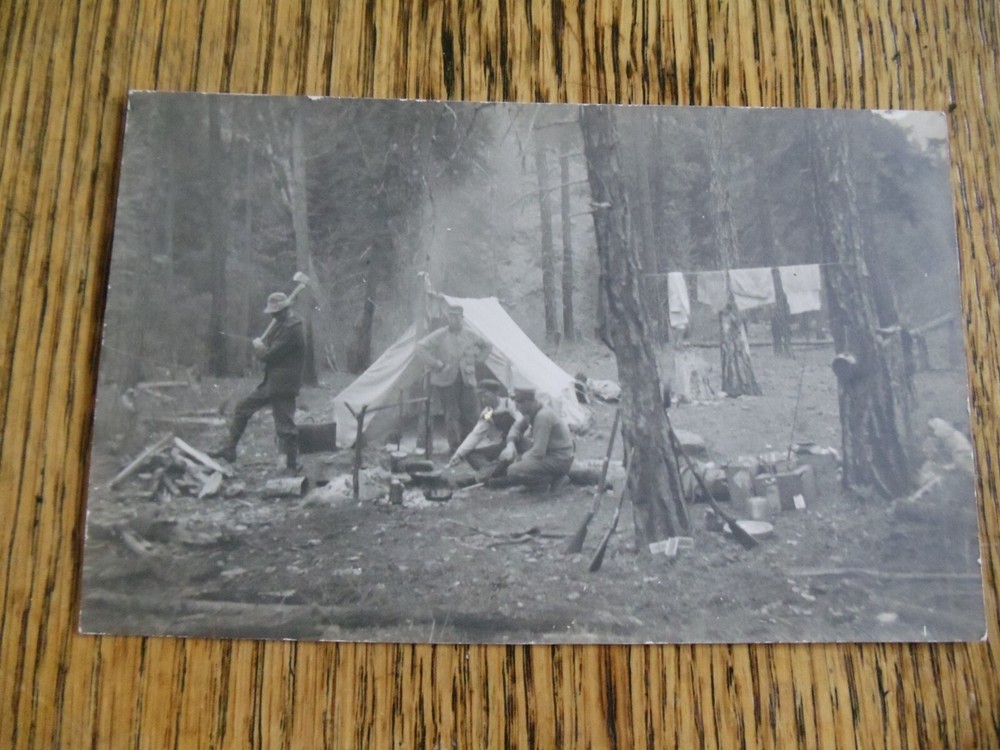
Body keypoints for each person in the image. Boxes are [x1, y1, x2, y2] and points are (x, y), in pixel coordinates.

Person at [212, 291, 305, 471]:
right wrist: (265, 343)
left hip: (283, 385)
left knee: (285, 427)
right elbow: (272, 345)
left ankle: (293, 465)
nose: (272, 315)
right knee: (242, 409)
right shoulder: (282, 324)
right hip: (272, 382)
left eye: (275, 312)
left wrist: (260, 348)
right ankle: (230, 450)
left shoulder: (292, 329)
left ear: (284, 311)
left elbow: (269, 355)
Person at [415, 305, 492, 453]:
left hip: (467, 379)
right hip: (447, 380)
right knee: (452, 415)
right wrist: (436, 363)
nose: (454, 320)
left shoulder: (470, 334)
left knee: (470, 414)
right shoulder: (440, 334)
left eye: (457, 317)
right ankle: (455, 447)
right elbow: (419, 348)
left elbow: (487, 346)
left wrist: (478, 361)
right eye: (451, 317)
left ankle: (468, 447)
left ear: (462, 318)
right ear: (448, 318)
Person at [489, 387, 575, 492]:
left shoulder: (542, 416)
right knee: (518, 451)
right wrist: (510, 444)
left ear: (528, 402)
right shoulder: (531, 412)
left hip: (560, 459)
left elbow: (539, 452)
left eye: (518, 403)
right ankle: (551, 478)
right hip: (553, 455)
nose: (516, 407)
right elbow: (516, 427)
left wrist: (520, 460)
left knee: (513, 470)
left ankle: (548, 482)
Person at [445, 379, 520, 479]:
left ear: (496, 393)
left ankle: (495, 472)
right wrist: (459, 454)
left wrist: (512, 445)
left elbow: (522, 424)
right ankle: (495, 472)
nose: (483, 400)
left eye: (486, 396)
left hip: (519, 442)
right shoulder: (488, 413)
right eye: (480, 397)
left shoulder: (509, 404)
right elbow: (476, 434)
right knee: (471, 455)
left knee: (513, 459)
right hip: (504, 443)